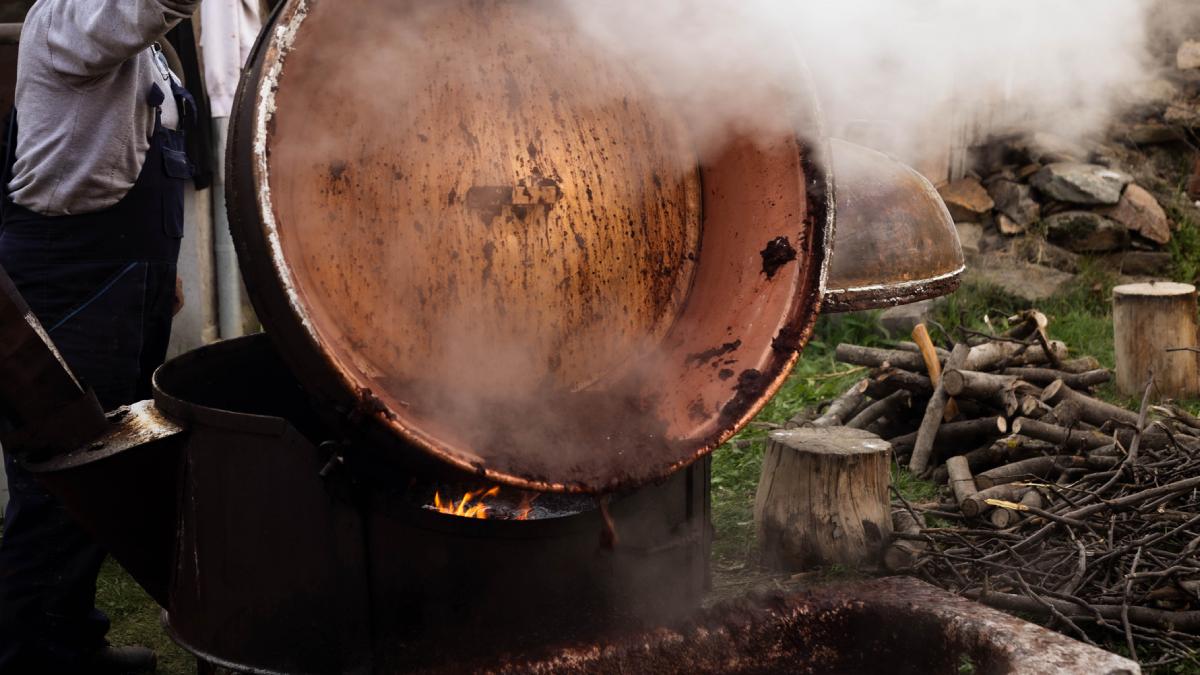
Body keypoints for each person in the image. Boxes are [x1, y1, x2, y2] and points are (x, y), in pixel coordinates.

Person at [0, 1, 201, 672]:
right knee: (61, 485)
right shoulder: (62, 20)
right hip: (72, 279)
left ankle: (73, 640)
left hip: (127, 277)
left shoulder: (147, 56)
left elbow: (137, 156)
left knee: (104, 480)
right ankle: (34, 657)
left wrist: (161, 270)